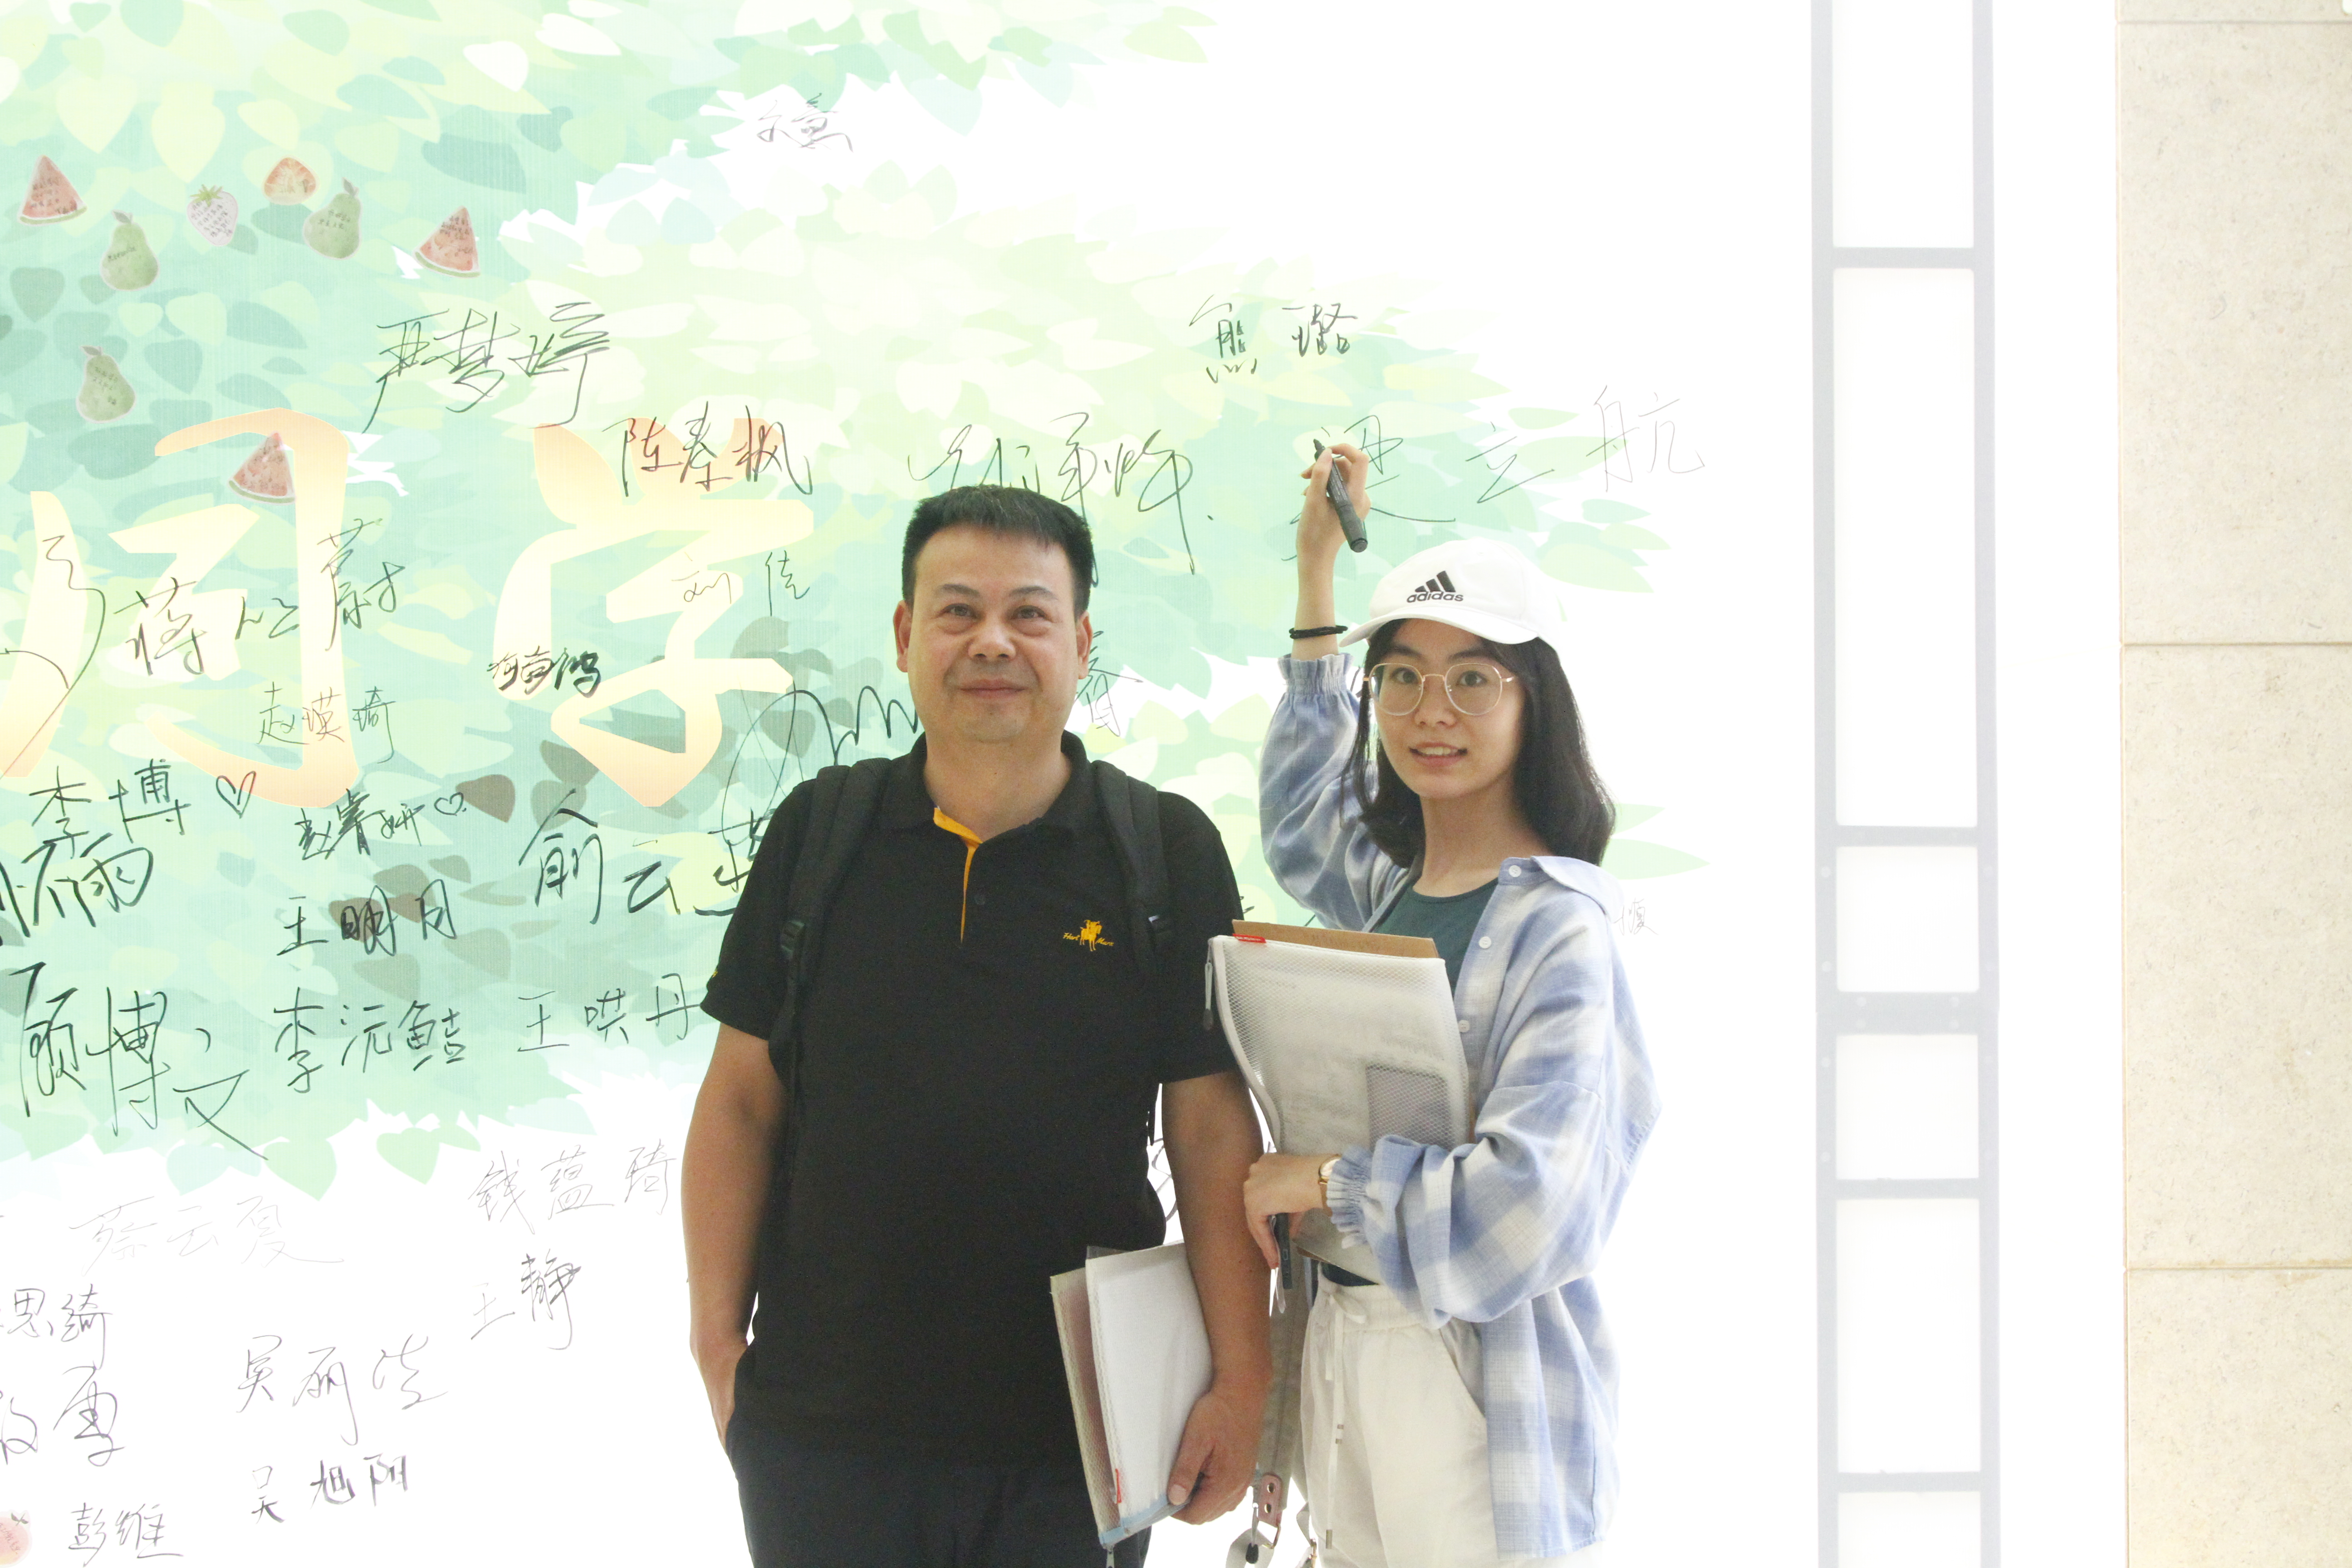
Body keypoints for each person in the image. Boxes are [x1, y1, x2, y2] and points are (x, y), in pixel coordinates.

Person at [685, 485, 1271, 1568]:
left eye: (1029, 614)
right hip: (824, 1438)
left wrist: (1242, 1379)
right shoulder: (821, 832)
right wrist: (718, 1347)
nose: (992, 642)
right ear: (906, 636)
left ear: (1080, 642)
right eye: (957, 612)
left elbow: (1208, 1131)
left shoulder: (1163, 850)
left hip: (1082, 1441)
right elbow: (738, 1106)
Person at [1242, 444, 1660, 1567]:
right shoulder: (1392, 890)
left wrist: (1326, 1184)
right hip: (1347, 1342)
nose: (1433, 711)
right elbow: (1300, 820)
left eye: (1474, 678)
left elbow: (1530, 1208)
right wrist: (1317, 576)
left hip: (1472, 1376)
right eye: (1403, 678)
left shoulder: (1559, 931)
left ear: (1535, 702)